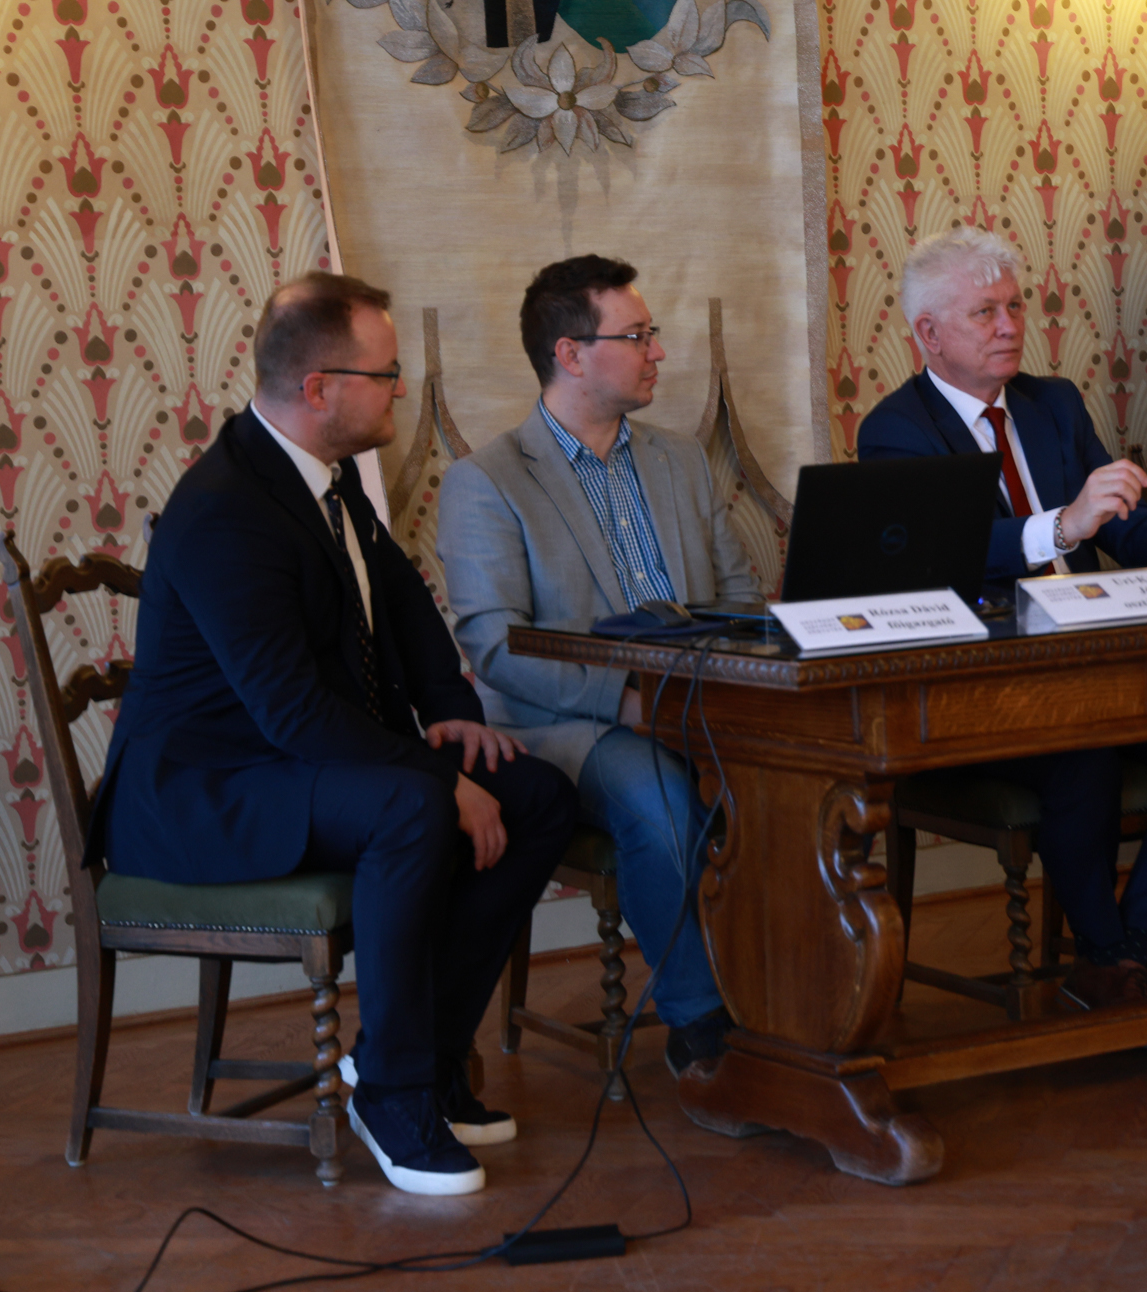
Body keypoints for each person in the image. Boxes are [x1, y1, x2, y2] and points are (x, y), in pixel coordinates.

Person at [89, 272, 577, 1197]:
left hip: (290, 763)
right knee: (411, 806)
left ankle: (424, 1056)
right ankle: (392, 1094)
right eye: (385, 373)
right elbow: (292, 711)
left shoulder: (326, 473)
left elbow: (402, 599)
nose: (401, 388)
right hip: (201, 795)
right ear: (319, 388)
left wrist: (454, 718)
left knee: (537, 795)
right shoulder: (226, 508)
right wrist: (442, 781)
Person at [856, 226, 1147, 1009]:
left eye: (1015, 306)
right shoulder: (896, 431)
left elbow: (1117, 520)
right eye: (985, 312)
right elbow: (944, 559)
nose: (1009, 325)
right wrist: (1063, 526)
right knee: (1081, 749)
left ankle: (1130, 941)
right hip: (983, 691)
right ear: (929, 335)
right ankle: (1106, 955)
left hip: (1092, 669)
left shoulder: (1053, 404)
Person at [438, 256, 755, 1078]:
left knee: (802, 784)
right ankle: (702, 1027)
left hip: (699, 707)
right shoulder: (487, 481)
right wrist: (627, 703)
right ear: (571, 354)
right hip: (567, 728)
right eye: (638, 336)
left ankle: (792, 1004)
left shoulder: (682, 461)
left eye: (653, 334)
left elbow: (741, 599)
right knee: (660, 799)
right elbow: (496, 646)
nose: (659, 352)